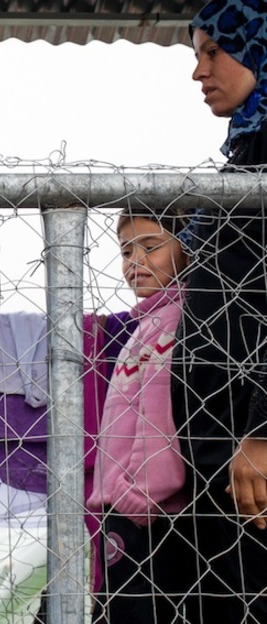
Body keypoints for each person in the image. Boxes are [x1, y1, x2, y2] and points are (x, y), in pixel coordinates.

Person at [171, 1, 267, 620]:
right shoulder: (248, 154)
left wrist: (263, 431)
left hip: (254, 452)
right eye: (197, 54)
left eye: (214, 52)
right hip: (217, 451)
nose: (199, 72)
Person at [86, 206, 191, 622]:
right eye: (126, 252)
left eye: (151, 248)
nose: (136, 263)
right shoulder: (144, 325)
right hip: (125, 510)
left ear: (188, 249)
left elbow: (160, 421)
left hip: (152, 515)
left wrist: (137, 499)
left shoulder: (179, 322)